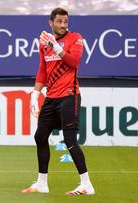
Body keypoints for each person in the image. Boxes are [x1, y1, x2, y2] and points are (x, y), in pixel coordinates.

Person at [21, 8, 95, 195]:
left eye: (66, 22)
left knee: (70, 140)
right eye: (59, 21)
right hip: (51, 97)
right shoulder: (44, 42)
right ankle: (42, 183)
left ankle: (86, 184)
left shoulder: (75, 38)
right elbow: (42, 69)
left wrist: (56, 47)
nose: (63, 25)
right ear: (51, 22)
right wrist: (35, 95)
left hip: (69, 96)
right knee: (40, 136)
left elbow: (74, 62)